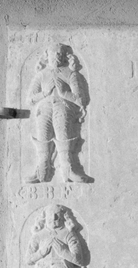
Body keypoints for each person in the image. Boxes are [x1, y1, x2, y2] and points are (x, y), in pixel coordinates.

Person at [26, 44, 90, 184]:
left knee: (64, 136)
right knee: (43, 138)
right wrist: (44, 93)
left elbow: (81, 99)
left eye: (60, 53)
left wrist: (64, 93)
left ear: (65, 56)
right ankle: (42, 171)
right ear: (47, 55)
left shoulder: (71, 74)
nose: (57, 56)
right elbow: (30, 99)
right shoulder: (41, 75)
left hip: (63, 107)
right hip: (44, 109)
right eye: (54, 53)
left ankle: (68, 171)